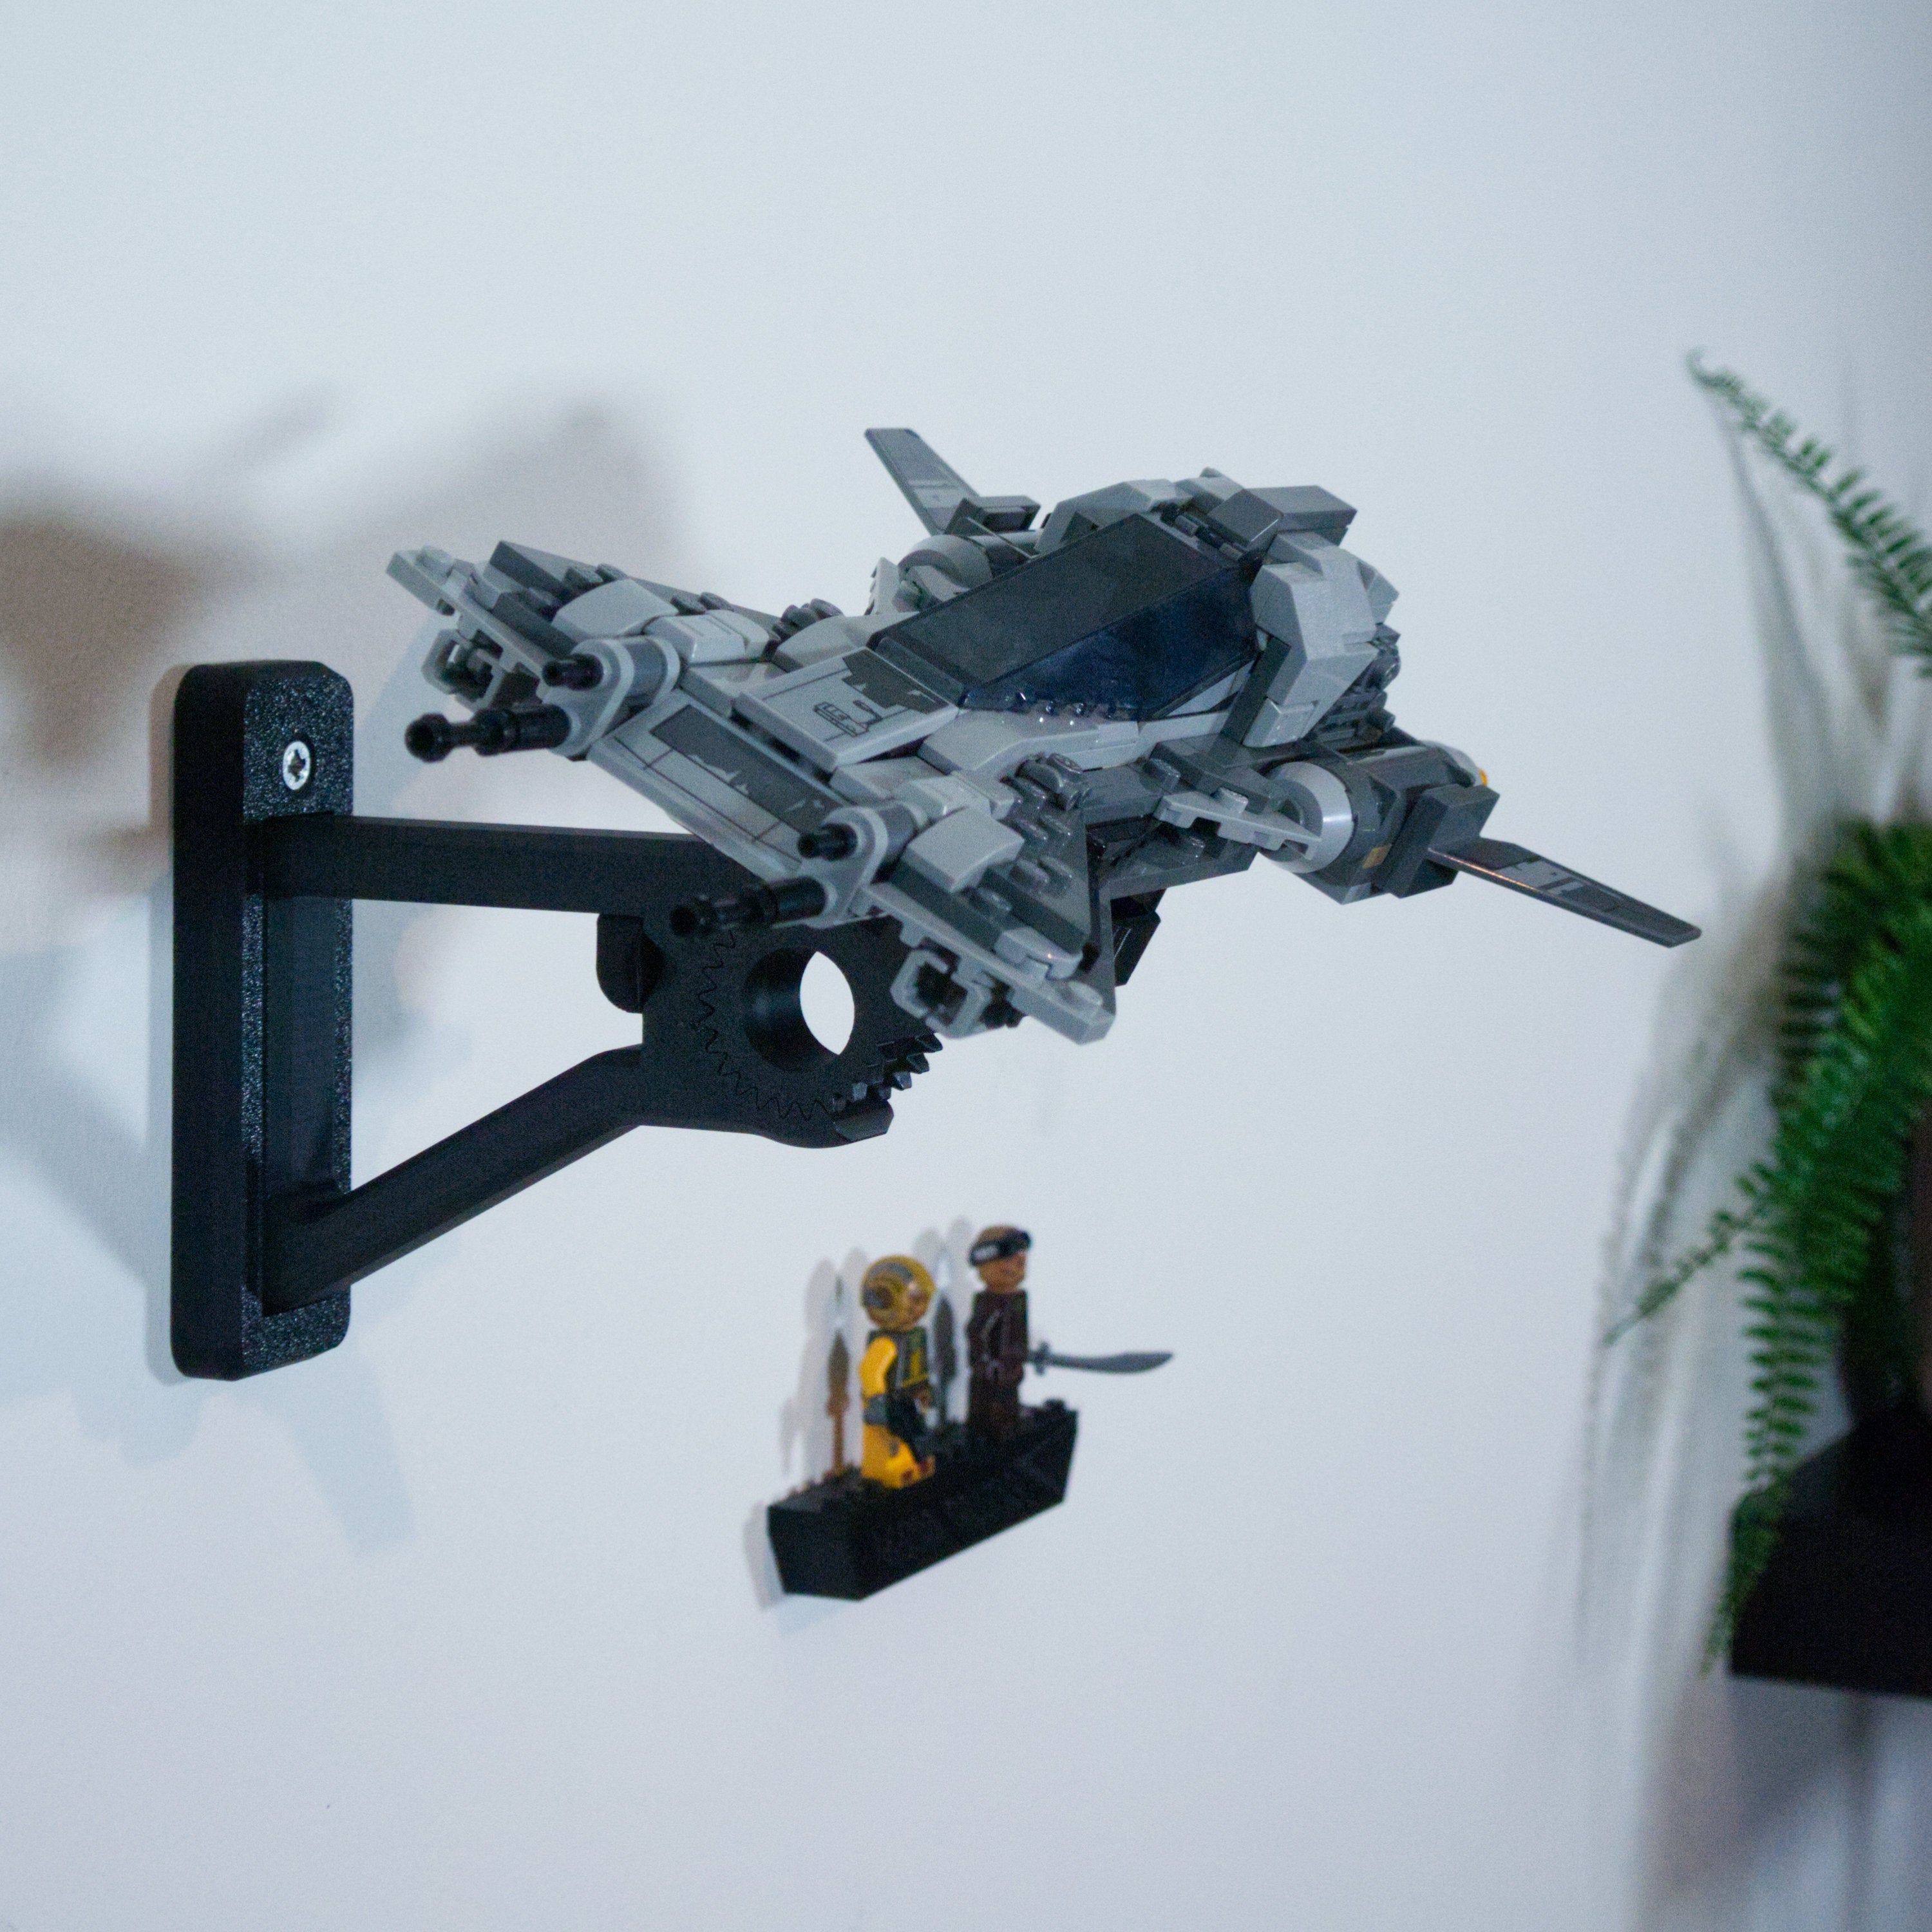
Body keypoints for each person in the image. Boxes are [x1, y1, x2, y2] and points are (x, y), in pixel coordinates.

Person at [858, 1256, 936, 1488]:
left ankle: (915, 1463)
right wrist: (877, 1401)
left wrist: (925, 1389)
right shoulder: (885, 1343)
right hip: (892, 1402)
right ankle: (901, 1465)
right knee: (901, 1435)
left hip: (909, 1397)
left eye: (922, 1301)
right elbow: (869, 1371)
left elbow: (918, 1367)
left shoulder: (914, 1337)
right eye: (914, 1300)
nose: (918, 1309)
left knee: (916, 1431)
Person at [966, 1226, 1030, 1443]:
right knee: (990, 1425)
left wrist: (1020, 1355)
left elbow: (1018, 1332)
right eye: (1010, 1257)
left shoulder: (1017, 1299)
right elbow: (977, 1333)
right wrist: (987, 1365)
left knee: (1009, 1420)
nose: (1020, 1262)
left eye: (1022, 1256)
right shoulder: (990, 1302)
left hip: (1010, 1375)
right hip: (990, 1382)